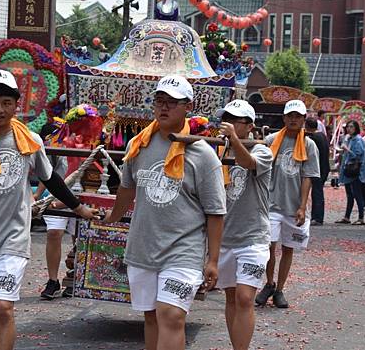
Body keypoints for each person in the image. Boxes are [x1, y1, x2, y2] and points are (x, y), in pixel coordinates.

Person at [0, 69, 99, 350]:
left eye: (6, 102)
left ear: (16, 105)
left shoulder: (29, 141)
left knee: (2, 308)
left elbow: (50, 178)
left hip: (11, 241)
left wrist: (78, 208)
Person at [103, 75, 226, 350]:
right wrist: (111, 217)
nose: (164, 108)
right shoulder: (139, 144)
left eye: (172, 102)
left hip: (183, 250)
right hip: (143, 248)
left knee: (170, 316)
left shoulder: (202, 154)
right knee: (151, 318)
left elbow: (215, 212)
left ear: (188, 107)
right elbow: (126, 188)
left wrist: (213, 259)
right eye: (159, 101)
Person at [215, 100, 272, 350]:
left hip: (253, 238)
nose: (227, 122)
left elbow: (248, 163)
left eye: (234, 119)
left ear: (249, 126)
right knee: (230, 297)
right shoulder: (216, 150)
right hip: (225, 237)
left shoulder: (262, 150)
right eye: (225, 117)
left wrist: (233, 142)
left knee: (245, 297)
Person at [255, 100, 319, 308]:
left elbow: (307, 177)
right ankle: (269, 283)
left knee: (288, 248)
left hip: (293, 206)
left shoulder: (309, 145)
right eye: (290, 116)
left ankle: (280, 289)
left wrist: (302, 206)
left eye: (297, 116)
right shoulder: (272, 140)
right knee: (268, 247)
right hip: (271, 203)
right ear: (284, 118)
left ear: (303, 119)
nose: (293, 119)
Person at [33, 123, 73, 300]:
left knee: (79, 236)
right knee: (54, 234)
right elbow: (47, 174)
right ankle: (52, 280)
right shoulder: (54, 144)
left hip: (83, 194)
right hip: (57, 195)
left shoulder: (96, 141)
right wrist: (37, 196)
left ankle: (75, 277)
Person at [336, 121, 365, 225]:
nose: (349, 129)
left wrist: (347, 149)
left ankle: (361, 218)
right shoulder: (349, 138)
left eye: (351, 127)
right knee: (350, 194)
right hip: (349, 170)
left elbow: (357, 156)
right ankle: (347, 216)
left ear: (356, 128)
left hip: (355, 171)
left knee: (357, 194)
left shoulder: (358, 140)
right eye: (348, 127)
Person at [304, 117, 330, 225]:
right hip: (324, 167)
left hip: (317, 168)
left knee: (317, 193)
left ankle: (317, 218)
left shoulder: (312, 138)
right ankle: (317, 216)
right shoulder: (322, 136)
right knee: (318, 192)